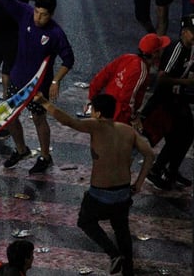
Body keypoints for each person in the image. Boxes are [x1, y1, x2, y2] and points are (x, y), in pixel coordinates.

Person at [37, 92, 154, 276]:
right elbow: (149, 154)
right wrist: (139, 183)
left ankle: (113, 254)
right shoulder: (127, 130)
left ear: (98, 113)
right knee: (122, 230)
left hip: (100, 193)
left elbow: (67, 121)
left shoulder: (96, 125)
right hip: (123, 192)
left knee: (85, 221)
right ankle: (128, 270)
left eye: (92, 110)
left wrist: (44, 102)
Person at [0, 0, 75, 174]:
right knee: (11, 117)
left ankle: (45, 156)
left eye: (43, 15)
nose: (38, 18)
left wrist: (56, 81)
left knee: (38, 119)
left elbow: (69, 60)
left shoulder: (56, 34)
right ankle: (21, 150)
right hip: (17, 79)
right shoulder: (25, 12)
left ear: (51, 14)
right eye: (37, 12)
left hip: (38, 86)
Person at [141, 14, 194, 190]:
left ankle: (171, 170)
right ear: (184, 32)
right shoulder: (177, 49)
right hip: (166, 100)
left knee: (187, 136)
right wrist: (187, 82)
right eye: (193, 32)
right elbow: (161, 79)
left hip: (177, 98)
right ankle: (156, 171)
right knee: (177, 138)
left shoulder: (192, 47)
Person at [88, 33, 169, 126]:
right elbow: (128, 100)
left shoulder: (127, 57)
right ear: (155, 53)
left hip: (106, 112)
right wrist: (132, 119)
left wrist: (91, 100)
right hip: (118, 118)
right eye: (160, 49)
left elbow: (102, 76)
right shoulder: (141, 71)